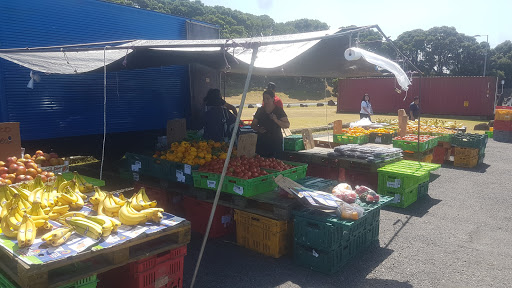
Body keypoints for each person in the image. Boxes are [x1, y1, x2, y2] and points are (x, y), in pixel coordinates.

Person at [252, 89, 290, 158]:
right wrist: (258, 129)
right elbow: (253, 125)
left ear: (273, 99)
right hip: (262, 142)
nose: (266, 101)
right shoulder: (260, 110)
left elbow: (287, 125)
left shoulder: (278, 110)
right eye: (264, 99)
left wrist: (276, 120)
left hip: (275, 141)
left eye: (268, 99)